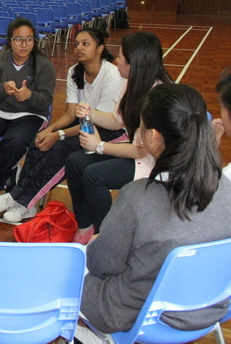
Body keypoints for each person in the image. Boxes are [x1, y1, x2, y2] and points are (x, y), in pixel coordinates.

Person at [80, 84, 231, 337]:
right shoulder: (225, 185)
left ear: (151, 136)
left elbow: (101, 265)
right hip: (209, 307)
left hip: (143, 317)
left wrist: (96, 243)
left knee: (70, 269)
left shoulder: (137, 197)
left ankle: (88, 337)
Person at [0, 28, 124, 222]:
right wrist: (49, 130)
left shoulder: (112, 76)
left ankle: (18, 198)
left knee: (60, 149)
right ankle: (27, 205)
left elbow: (97, 122)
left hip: (109, 130)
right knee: (39, 141)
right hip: (84, 123)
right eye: (76, 44)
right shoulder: (75, 71)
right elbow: (70, 113)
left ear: (100, 48)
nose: (78, 48)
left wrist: (59, 135)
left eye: (85, 44)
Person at [67, 31, 173, 244]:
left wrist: (100, 146)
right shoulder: (132, 82)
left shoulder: (156, 96)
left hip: (154, 163)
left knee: (94, 176)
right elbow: (116, 121)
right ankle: (85, 225)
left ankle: (105, 236)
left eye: (121, 57)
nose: (117, 60)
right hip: (139, 151)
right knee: (75, 161)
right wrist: (89, 112)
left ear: (135, 63)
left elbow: (141, 150)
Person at [0, 17, 56, 203]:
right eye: (18, 39)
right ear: (10, 41)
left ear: (34, 40)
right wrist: (3, 89)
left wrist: (29, 96)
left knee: (15, 141)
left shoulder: (43, 65)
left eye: (29, 39)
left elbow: (46, 102)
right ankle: (7, 172)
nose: (24, 45)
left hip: (30, 114)